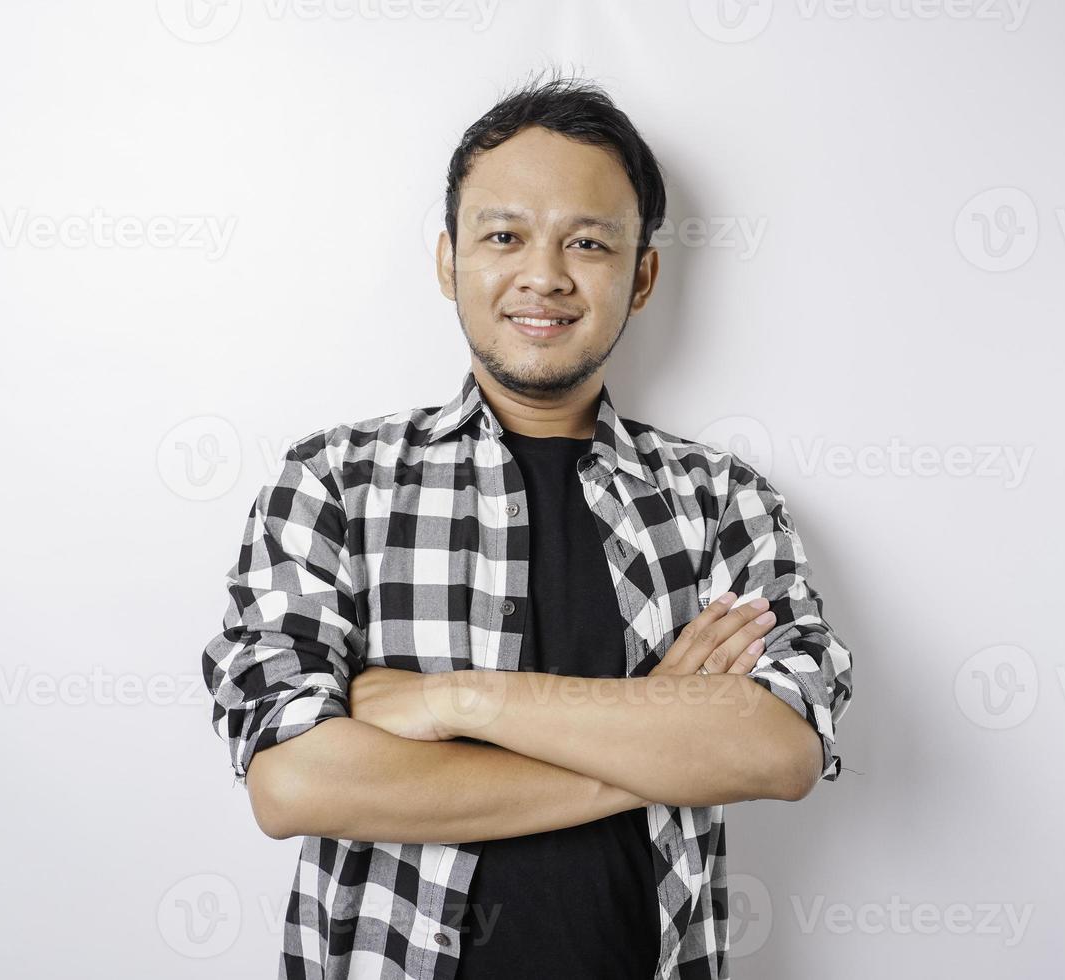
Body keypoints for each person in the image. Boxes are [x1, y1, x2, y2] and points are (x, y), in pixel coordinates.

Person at [201, 70, 854, 980]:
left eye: (588, 242)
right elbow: (294, 781)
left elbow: (779, 750)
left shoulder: (720, 500)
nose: (543, 275)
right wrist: (663, 741)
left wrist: (455, 702)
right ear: (448, 260)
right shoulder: (335, 484)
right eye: (503, 235)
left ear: (643, 277)